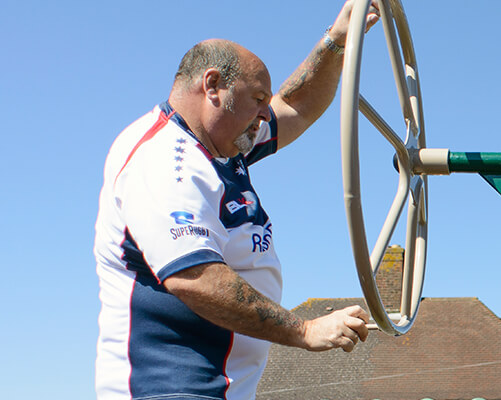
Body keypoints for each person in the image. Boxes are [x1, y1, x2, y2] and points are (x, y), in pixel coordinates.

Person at [92, 2, 381, 399]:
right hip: (170, 389)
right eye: (258, 98)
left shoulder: (225, 147)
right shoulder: (165, 161)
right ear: (212, 87)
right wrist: (304, 330)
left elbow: (296, 105)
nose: (266, 113)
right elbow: (195, 277)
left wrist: (337, 40)